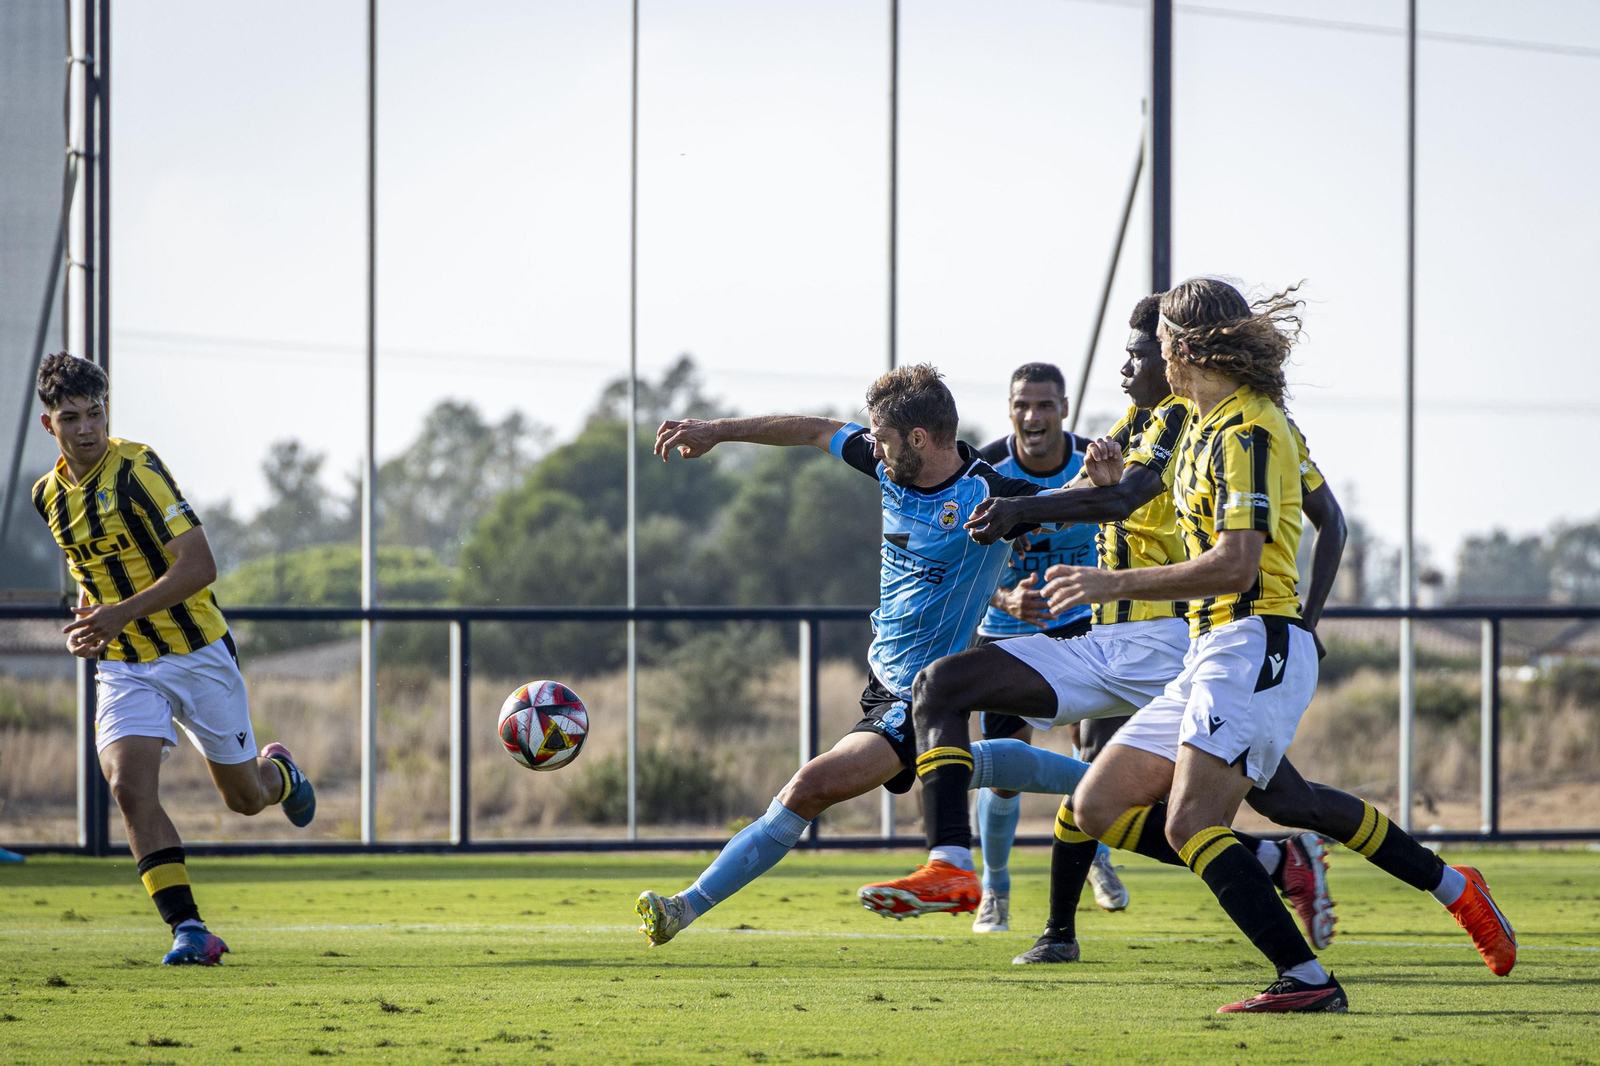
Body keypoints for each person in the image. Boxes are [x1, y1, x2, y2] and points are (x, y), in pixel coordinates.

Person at [867, 280, 1515, 1012]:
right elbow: (1126, 498)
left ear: (1180, 349)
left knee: (1195, 820)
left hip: (1251, 641)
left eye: (1152, 344)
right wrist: (1099, 490)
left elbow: (1240, 564)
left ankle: (1308, 981)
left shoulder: (1250, 432)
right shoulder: (1198, 424)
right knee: (1098, 801)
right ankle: (1449, 885)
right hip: (1208, 647)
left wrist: (1112, 584)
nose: (1140, 359)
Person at [857, 295, 1338, 962]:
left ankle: (1404, 887)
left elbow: (1180, 530)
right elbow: (1064, 513)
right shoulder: (1121, 430)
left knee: (1263, 801)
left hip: (1193, 641)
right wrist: (1014, 563)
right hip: (1092, 637)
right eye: (1022, 404)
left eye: (1148, 350)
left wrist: (1302, 625)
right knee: (970, 710)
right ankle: (974, 880)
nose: (1131, 365)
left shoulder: (1235, 428)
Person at [633, 364, 1093, 946]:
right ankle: (1111, 781)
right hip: (882, 678)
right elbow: (812, 430)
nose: (871, 444)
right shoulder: (887, 463)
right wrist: (718, 430)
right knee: (964, 764)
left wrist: (1104, 484)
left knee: (809, 787)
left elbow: (1075, 503)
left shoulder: (989, 494)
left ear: (919, 439)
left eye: (881, 434)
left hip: (921, 694)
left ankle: (683, 908)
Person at [29, 353, 315, 966]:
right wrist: (91, 621)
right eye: (72, 417)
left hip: (196, 653)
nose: (88, 428)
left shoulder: (138, 469)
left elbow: (200, 566)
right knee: (128, 786)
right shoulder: (47, 496)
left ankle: (281, 774)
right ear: (49, 425)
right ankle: (190, 929)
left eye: (97, 413)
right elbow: (94, 573)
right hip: (126, 665)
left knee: (244, 799)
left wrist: (118, 614)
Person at [968, 362, 1124, 934]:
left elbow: (1128, 524)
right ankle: (995, 889)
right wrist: (1007, 599)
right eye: (1022, 405)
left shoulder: (1098, 462)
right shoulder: (983, 471)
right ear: (1010, 409)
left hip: (1084, 627)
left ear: (1063, 409)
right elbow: (962, 560)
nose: (1033, 417)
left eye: (1045, 405)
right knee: (1004, 772)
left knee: (1101, 758)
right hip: (1007, 634)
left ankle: (1098, 858)